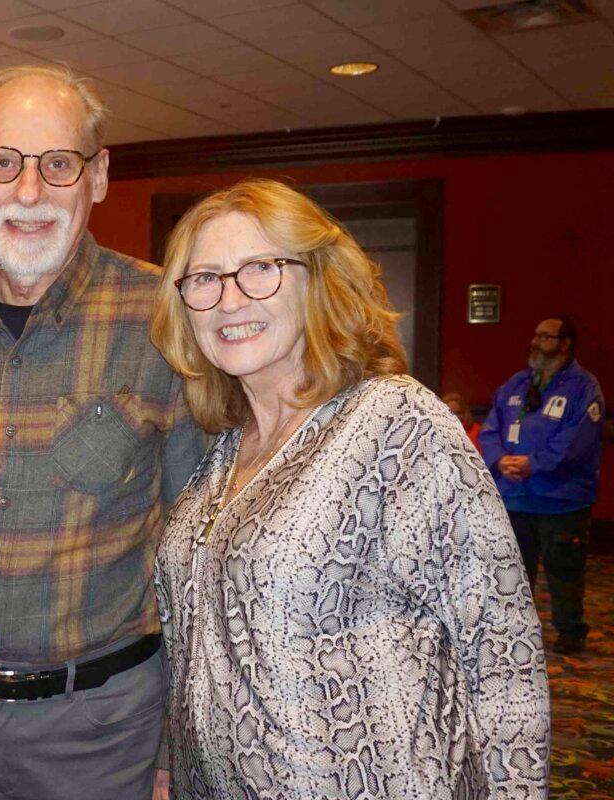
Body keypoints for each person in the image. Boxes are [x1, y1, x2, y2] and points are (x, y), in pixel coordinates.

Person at [150, 178, 550, 798]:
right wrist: (172, 763)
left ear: (317, 279)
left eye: (260, 268)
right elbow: (195, 646)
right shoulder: (224, 453)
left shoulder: (395, 425)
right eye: (204, 279)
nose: (230, 299)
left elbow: (502, 654)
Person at [0, 64, 201, 800]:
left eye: (58, 164)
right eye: (4, 162)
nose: (28, 192)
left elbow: (198, 551)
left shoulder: (166, 316)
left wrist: (174, 747)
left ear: (97, 177)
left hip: (100, 732)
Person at [478, 315, 605, 654]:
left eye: (546, 337)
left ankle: (570, 631)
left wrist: (534, 464)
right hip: (515, 498)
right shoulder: (516, 385)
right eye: (535, 335)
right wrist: (501, 459)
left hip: (560, 499)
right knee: (514, 571)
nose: (536, 342)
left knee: (564, 570)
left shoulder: (583, 388)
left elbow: (578, 440)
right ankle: (516, 630)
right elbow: (491, 428)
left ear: (565, 344)